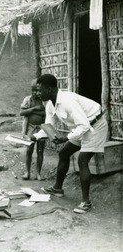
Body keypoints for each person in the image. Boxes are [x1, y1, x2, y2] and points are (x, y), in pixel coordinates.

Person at [30, 74, 108, 214]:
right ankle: (57, 188)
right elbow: (49, 126)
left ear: (49, 89)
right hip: (82, 127)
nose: (37, 93)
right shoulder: (49, 104)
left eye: (39, 90)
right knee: (64, 153)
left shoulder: (67, 101)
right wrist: (35, 137)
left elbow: (84, 126)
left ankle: (86, 202)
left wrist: (66, 138)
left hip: (95, 126)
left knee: (82, 160)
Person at [20, 79, 46, 181]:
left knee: (40, 151)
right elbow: (22, 112)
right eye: (33, 90)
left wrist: (29, 112)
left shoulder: (45, 101)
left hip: (42, 128)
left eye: (38, 90)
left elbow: (45, 114)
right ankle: (27, 172)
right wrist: (35, 109)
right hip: (30, 127)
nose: (35, 93)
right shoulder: (28, 99)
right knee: (29, 150)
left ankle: (38, 173)